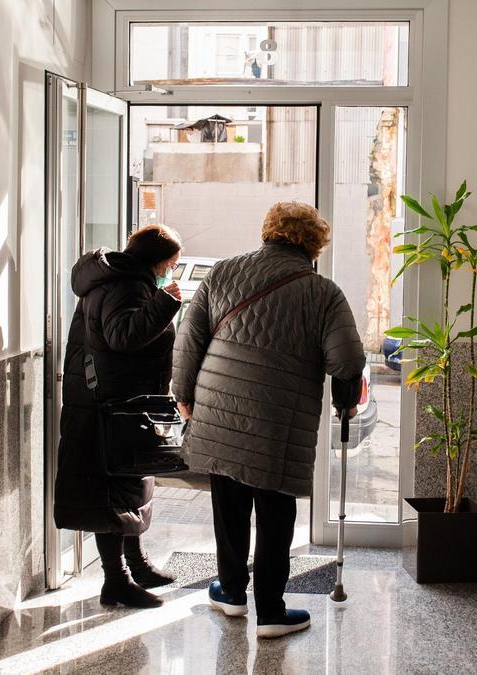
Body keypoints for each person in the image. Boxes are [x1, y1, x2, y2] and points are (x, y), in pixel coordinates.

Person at [172, 202, 365, 638]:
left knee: (230, 507)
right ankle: (272, 613)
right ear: (315, 243)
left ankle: (232, 594)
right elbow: (347, 360)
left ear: (268, 232)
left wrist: (184, 396)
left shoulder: (222, 273)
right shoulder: (323, 293)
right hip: (281, 424)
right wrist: (345, 402)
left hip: (221, 412)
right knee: (276, 515)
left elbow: (188, 341)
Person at [53, 224, 184, 609]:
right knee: (111, 497)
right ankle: (117, 581)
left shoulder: (119, 279)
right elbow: (122, 336)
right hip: (109, 408)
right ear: (157, 261)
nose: (172, 270)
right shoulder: (126, 285)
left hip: (117, 404)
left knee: (129, 489)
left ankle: (136, 565)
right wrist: (165, 303)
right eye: (172, 263)